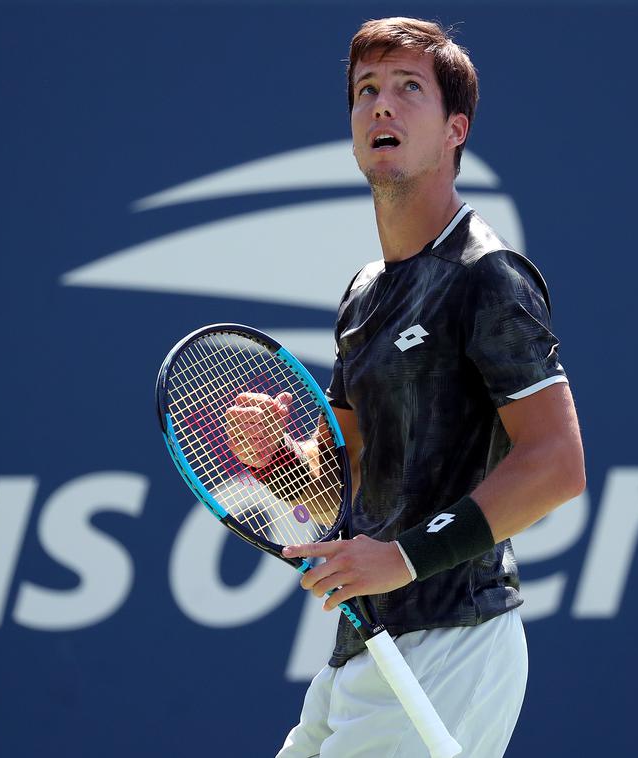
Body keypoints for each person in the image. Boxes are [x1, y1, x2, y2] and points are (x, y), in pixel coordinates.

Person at [226, 17, 586, 757]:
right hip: (367, 644)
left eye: (406, 89)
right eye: (365, 90)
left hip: (455, 642)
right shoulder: (364, 295)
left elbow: (556, 464)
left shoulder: (488, 276)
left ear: (456, 129)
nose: (380, 106)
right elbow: (345, 480)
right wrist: (274, 456)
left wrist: (401, 558)